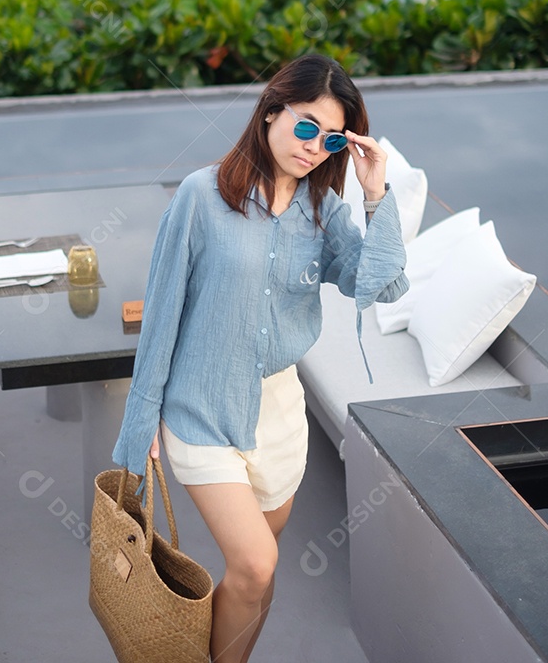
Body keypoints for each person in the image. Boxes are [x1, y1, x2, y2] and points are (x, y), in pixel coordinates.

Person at [112, 54, 409, 663]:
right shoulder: (201, 196)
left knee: (254, 578)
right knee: (257, 562)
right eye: (305, 127)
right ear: (271, 111)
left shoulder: (327, 216)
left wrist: (376, 193)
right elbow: (163, 312)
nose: (313, 147)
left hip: (279, 417)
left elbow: (384, 285)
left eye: (330, 139)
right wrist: (138, 427)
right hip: (200, 411)